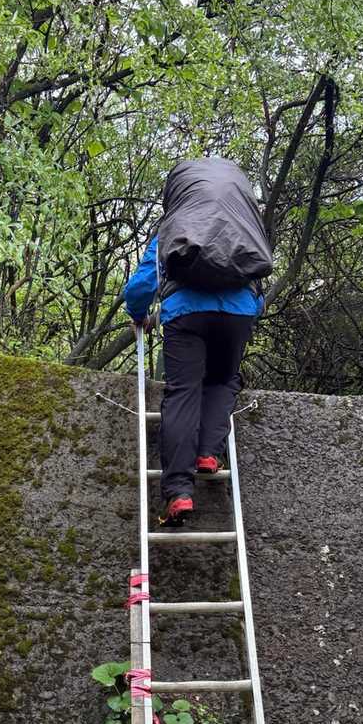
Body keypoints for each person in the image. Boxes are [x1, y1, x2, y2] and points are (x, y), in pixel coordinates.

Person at [124, 157, 272, 526]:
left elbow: (141, 286)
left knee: (183, 392)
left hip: (186, 316)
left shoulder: (174, 226)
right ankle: (208, 452)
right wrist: (243, 313)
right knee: (223, 380)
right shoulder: (245, 227)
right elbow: (259, 290)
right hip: (237, 315)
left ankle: (179, 493)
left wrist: (140, 314)